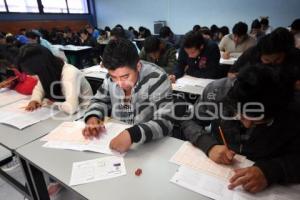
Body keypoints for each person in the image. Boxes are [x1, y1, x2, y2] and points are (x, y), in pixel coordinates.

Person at [181, 64, 300, 193]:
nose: (247, 125)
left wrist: (271, 171)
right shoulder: (217, 92)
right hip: (218, 170)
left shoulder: (292, 109)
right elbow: (189, 120)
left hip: (266, 176)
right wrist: (209, 145)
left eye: (259, 122)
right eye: (239, 115)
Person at [82, 39, 173, 153]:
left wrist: (132, 134)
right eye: (114, 77)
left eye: (125, 77)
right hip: (116, 139)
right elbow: (100, 100)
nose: (119, 83)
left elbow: (166, 122)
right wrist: (93, 117)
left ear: (138, 66)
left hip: (149, 145)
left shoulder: (157, 78)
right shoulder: (111, 76)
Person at [17, 44, 93, 114]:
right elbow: (39, 88)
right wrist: (35, 100)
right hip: (65, 112)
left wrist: (51, 104)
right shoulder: (47, 70)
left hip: (84, 112)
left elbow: (72, 108)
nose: (35, 76)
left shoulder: (70, 74)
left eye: (36, 73)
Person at [228, 27, 300, 78]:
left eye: (277, 59)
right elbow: (231, 73)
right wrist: (239, 76)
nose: (272, 64)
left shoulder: (294, 56)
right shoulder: (252, 52)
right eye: (266, 60)